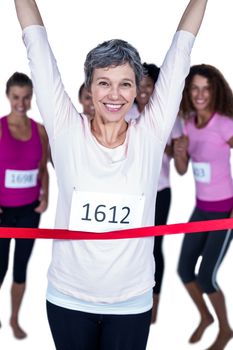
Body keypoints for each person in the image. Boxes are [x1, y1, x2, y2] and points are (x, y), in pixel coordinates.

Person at [14, 1, 208, 349]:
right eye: (104, 83)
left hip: (131, 302)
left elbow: (181, 50)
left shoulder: (149, 137)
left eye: (125, 84)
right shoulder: (65, 131)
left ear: (137, 90)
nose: (114, 95)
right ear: (89, 89)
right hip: (69, 300)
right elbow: (37, 48)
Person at [174, 64, 233, 350]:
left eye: (205, 88)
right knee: (185, 270)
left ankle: (225, 330)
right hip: (201, 210)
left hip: (225, 213)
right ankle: (206, 317)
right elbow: (184, 170)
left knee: (206, 276)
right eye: (194, 88)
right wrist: (180, 153)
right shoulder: (187, 123)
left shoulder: (224, 124)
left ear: (214, 91)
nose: (199, 94)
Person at [126, 63, 183, 324]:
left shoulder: (169, 116)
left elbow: (178, 164)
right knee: (132, 245)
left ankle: (154, 305)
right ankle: (129, 297)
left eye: (150, 86)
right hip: (133, 193)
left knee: (154, 247)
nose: (144, 91)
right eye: (141, 86)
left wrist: (177, 150)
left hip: (159, 191)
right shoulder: (127, 113)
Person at [0, 72, 49, 339]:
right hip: (3, 212)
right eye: (16, 97)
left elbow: (44, 169)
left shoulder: (39, 130)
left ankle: (14, 319)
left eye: (26, 97)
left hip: (30, 211)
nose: (21, 102)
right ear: (8, 96)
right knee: (0, 268)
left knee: (20, 267)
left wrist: (46, 195)